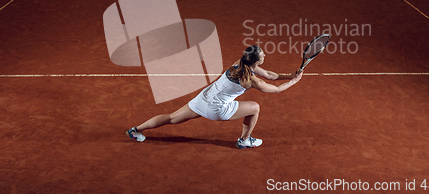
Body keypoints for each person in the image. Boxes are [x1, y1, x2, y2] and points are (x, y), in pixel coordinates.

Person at [126, 45, 303, 149]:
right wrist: (294, 82)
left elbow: (271, 75)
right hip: (218, 109)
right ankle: (244, 140)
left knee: (172, 117)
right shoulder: (251, 80)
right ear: (256, 62)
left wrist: (289, 75)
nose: (265, 55)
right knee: (255, 108)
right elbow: (276, 89)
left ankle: (136, 130)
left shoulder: (239, 63)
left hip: (203, 99)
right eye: (263, 54)